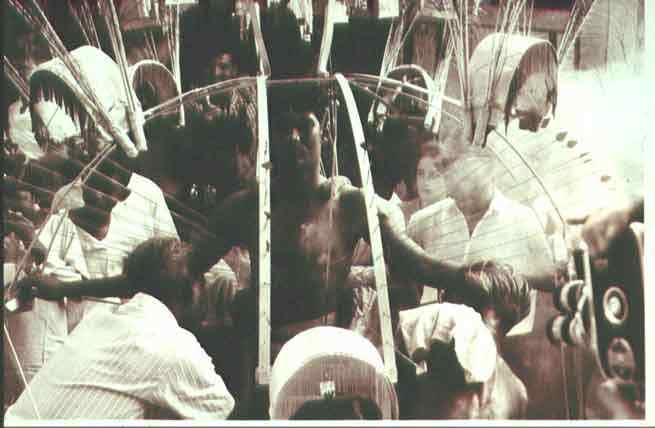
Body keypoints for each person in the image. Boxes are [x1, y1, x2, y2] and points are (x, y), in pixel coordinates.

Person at [5, 237, 235, 420]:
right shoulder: (172, 343)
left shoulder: (99, 319)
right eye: (201, 281)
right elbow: (222, 410)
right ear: (191, 290)